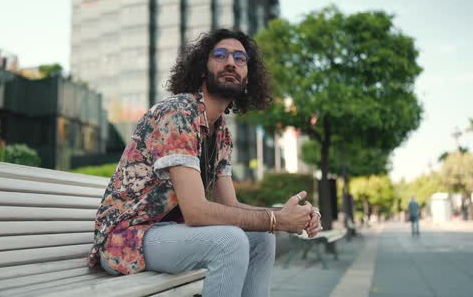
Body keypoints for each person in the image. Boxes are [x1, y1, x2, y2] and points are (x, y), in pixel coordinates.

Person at [88, 29, 322, 297]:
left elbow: (230, 206)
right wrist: (276, 219)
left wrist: (289, 216)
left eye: (240, 59)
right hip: (125, 239)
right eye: (220, 55)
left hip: (168, 234)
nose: (231, 62)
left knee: (261, 237)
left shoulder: (220, 133)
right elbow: (197, 212)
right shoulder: (178, 113)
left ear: (247, 79)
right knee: (230, 241)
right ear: (202, 69)